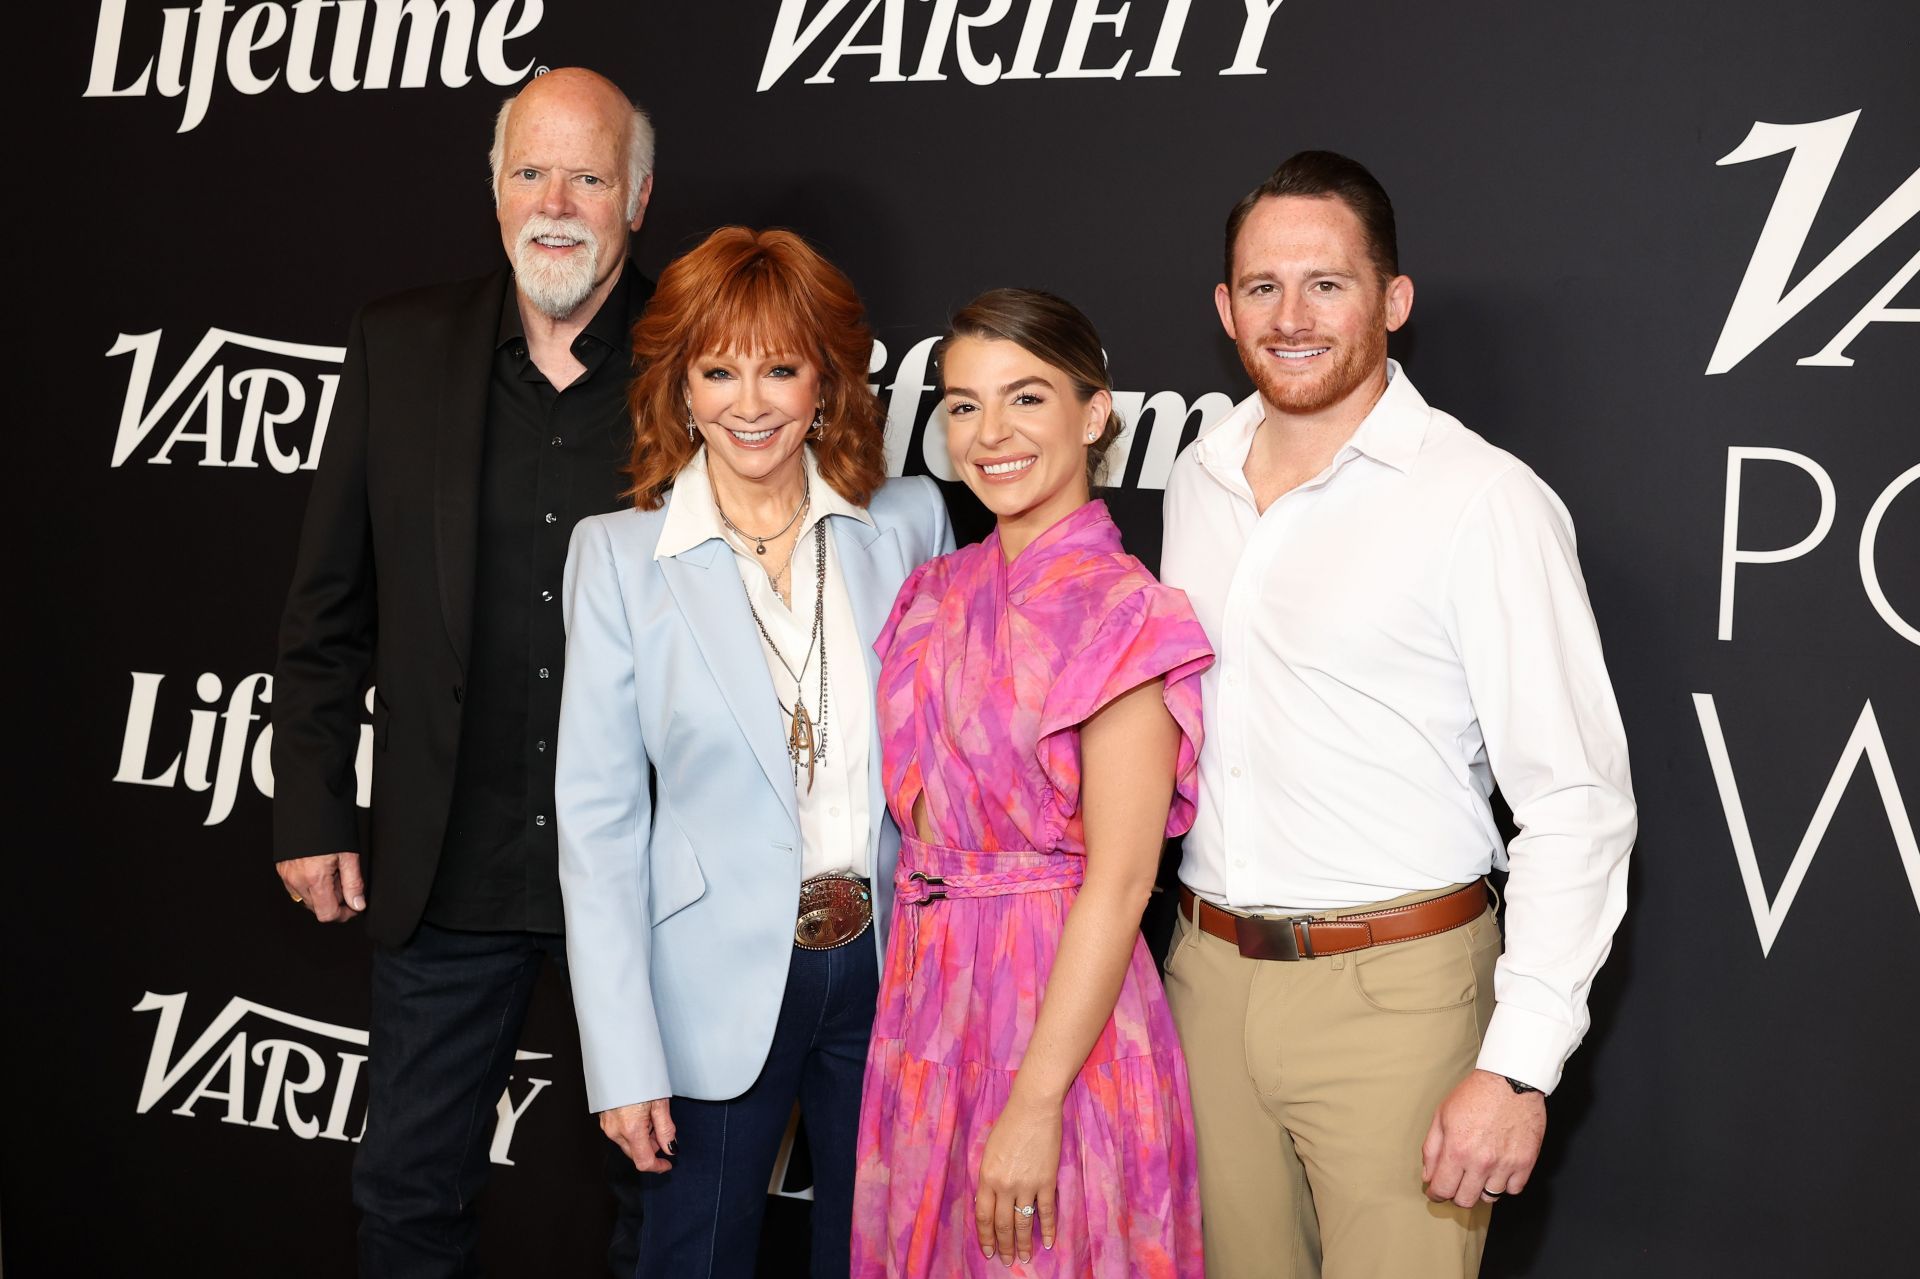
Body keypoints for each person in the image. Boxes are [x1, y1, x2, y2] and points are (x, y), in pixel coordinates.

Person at [1159, 150, 1638, 1278]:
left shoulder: (1482, 500)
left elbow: (1577, 804)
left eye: (1326, 283)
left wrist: (1517, 1067)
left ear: (1392, 300)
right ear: (1225, 307)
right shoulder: (1198, 475)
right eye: (1262, 287)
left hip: (1401, 1005)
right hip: (1206, 982)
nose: (1291, 316)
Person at [270, 67, 656, 1274]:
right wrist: (314, 804)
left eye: (588, 175)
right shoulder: (401, 344)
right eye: (529, 171)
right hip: (449, 867)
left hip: (651, 880)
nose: (557, 200)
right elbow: (329, 606)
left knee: (668, 1202)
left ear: (636, 197)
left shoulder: (710, 364)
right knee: (406, 1198)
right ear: (491, 188)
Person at [555, 226, 954, 1278]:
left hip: (887, 972)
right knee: (695, 1260)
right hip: (709, 986)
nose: (750, 401)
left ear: (824, 379)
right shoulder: (619, 558)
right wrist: (620, 1057)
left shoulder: (908, 522)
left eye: (780, 367)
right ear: (680, 385)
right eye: (719, 368)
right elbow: (597, 827)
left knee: (876, 1259)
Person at [851, 289, 1212, 1278]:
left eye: (1026, 397)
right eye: (963, 404)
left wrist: (1037, 1099)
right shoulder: (933, 592)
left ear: (1094, 413)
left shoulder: (1123, 615)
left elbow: (1123, 878)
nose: (990, 432)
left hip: (1064, 1030)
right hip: (925, 1011)